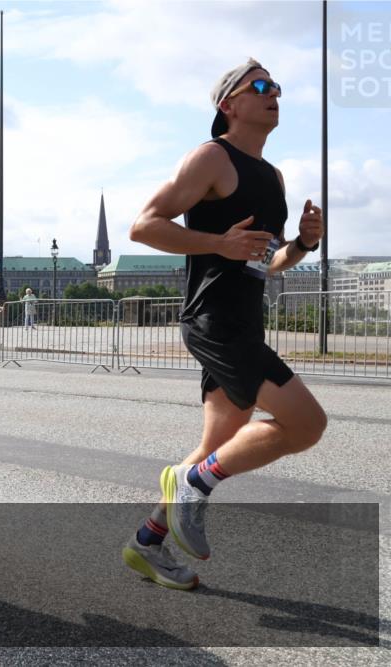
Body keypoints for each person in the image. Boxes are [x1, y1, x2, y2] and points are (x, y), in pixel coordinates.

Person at [123, 59, 325, 590]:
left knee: (219, 442)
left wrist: (302, 244)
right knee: (307, 424)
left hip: (244, 322)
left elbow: (266, 261)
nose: (273, 92)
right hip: (214, 322)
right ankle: (194, 484)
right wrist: (217, 242)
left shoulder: (272, 176)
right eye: (260, 85)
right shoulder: (212, 157)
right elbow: (143, 226)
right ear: (228, 105)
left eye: (277, 85)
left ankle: (147, 543)